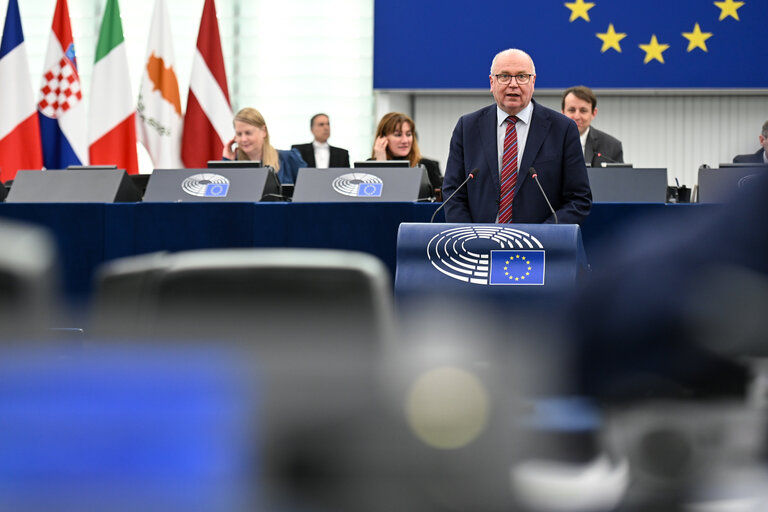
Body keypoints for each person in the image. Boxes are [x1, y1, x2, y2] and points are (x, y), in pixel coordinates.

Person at [442, 49, 591, 224]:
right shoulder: (467, 127)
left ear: (533, 82)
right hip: (479, 244)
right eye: (504, 76)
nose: (513, 84)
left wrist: (542, 236)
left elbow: (579, 199)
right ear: (492, 82)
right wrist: (471, 238)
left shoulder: (563, 129)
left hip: (541, 245)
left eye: (522, 76)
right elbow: (453, 193)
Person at [223, 108, 306, 184]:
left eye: (248, 133)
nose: (243, 139)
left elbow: (307, 191)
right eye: (239, 134)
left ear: (263, 131)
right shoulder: (234, 162)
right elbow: (220, 195)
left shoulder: (288, 159)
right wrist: (227, 162)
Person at [370, 112, 443, 196]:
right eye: (398, 135)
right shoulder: (369, 166)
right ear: (382, 138)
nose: (405, 141)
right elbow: (372, 200)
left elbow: (439, 202)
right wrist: (381, 163)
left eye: (408, 134)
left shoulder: (427, 166)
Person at [561, 86, 624, 167]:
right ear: (562, 113)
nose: (577, 116)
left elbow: (618, 178)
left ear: (593, 113)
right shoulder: (547, 143)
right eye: (572, 110)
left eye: (583, 111)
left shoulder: (612, 146)